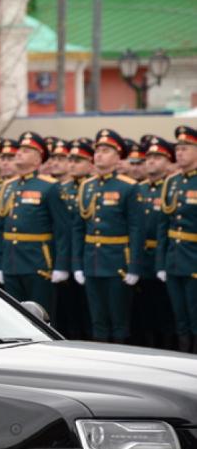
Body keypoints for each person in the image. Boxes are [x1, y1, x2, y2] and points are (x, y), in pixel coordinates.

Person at [72, 129, 143, 344]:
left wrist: (134, 267)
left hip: (117, 262)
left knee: (119, 320)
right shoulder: (86, 186)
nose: (99, 155)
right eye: (97, 150)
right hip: (92, 261)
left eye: (105, 151)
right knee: (98, 320)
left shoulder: (128, 187)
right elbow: (78, 228)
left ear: (117, 156)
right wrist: (77, 264)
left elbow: (136, 229)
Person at [0, 132, 70, 317]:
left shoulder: (49, 187)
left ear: (38, 159)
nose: (19, 153)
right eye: (20, 149)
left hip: (38, 264)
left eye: (26, 150)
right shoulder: (8, 187)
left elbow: (62, 230)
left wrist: (60, 265)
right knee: (15, 317)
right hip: (11, 263)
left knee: (41, 317)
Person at [156, 126, 197, 353]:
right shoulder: (172, 183)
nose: (179, 153)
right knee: (179, 318)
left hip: (194, 262)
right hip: (174, 261)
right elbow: (164, 226)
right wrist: (161, 262)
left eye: (185, 149)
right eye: (177, 149)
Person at [134, 136, 176, 349]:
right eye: (149, 156)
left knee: (165, 310)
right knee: (144, 310)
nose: (151, 161)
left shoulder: (171, 187)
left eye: (157, 157)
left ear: (169, 161)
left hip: (166, 256)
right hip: (142, 258)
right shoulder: (138, 189)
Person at [56, 139, 94, 340]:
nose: (71, 164)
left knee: (89, 311)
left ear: (90, 163)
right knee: (70, 309)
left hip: (89, 257)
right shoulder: (62, 188)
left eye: (78, 160)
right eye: (70, 160)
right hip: (64, 256)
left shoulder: (93, 187)